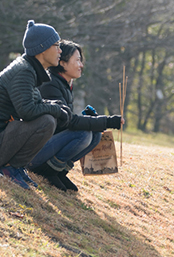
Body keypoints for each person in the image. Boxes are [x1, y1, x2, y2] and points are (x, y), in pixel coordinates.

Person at [0, 20, 72, 189]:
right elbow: (27, 111)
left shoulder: (29, 69)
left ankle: (15, 168)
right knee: (47, 121)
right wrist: (56, 110)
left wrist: (56, 106)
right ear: (42, 48)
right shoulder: (24, 71)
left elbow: (33, 103)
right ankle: (9, 169)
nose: (60, 51)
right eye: (57, 45)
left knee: (49, 118)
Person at [28, 40, 123, 191]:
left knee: (95, 134)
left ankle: (59, 172)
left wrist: (88, 118)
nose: (81, 65)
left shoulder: (65, 83)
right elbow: (69, 122)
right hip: (34, 152)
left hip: (48, 143)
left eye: (81, 61)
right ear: (63, 63)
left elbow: (64, 120)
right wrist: (107, 121)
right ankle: (47, 171)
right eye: (77, 60)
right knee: (83, 135)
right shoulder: (50, 84)